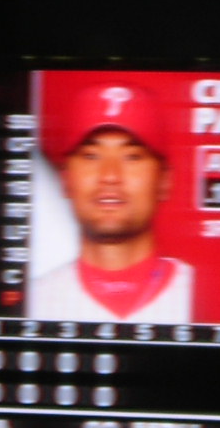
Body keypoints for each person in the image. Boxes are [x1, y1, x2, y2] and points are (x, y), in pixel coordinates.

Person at [28, 81, 193, 323]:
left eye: (132, 156)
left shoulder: (201, 296)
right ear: (65, 179)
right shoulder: (32, 302)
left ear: (164, 180)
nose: (110, 176)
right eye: (91, 156)